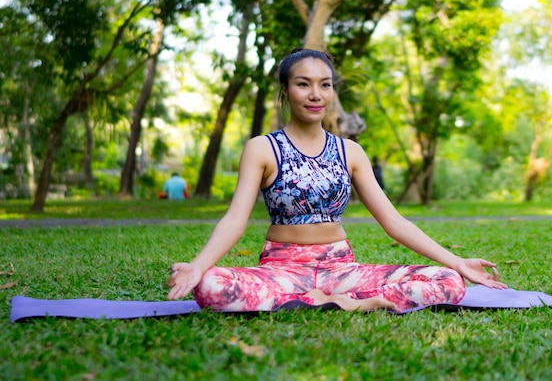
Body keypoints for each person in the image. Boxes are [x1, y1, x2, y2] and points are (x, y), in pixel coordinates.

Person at [167, 48, 506, 312]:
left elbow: (393, 221)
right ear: (286, 90)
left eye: (324, 85)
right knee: (210, 286)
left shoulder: (350, 152)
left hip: (342, 270)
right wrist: (198, 266)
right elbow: (234, 220)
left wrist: (458, 263)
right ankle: (332, 300)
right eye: (303, 84)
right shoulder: (261, 149)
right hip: (283, 269)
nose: (316, 94)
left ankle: (351, 302)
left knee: (447, 281)